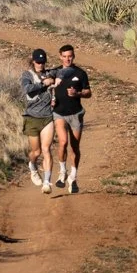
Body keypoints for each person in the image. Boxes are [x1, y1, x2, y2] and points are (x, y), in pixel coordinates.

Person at [47, 44, 91, 194]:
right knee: (63, 142)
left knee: (75, 147)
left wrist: (77, 93)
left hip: (76, 114)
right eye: (64, 56)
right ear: (60, 56)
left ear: (74, 56)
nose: (67, 59)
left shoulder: (80, 73)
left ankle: (73, 177)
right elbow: (47, 86)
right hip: (59, 113)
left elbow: (88, 92)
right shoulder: (56, 73)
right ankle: (62, 172)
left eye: (70, 56)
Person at [19, 48, 54, 188]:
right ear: (33, 61)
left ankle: (47, 182)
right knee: (36, 151)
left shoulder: (50, 74)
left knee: (46, 149)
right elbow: (27, 89)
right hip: (32, 117)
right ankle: (32, 166)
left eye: (43, 62)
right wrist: (43, 84)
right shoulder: (27, 74)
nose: (41, 64)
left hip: (47, 117)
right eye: (38, 62)